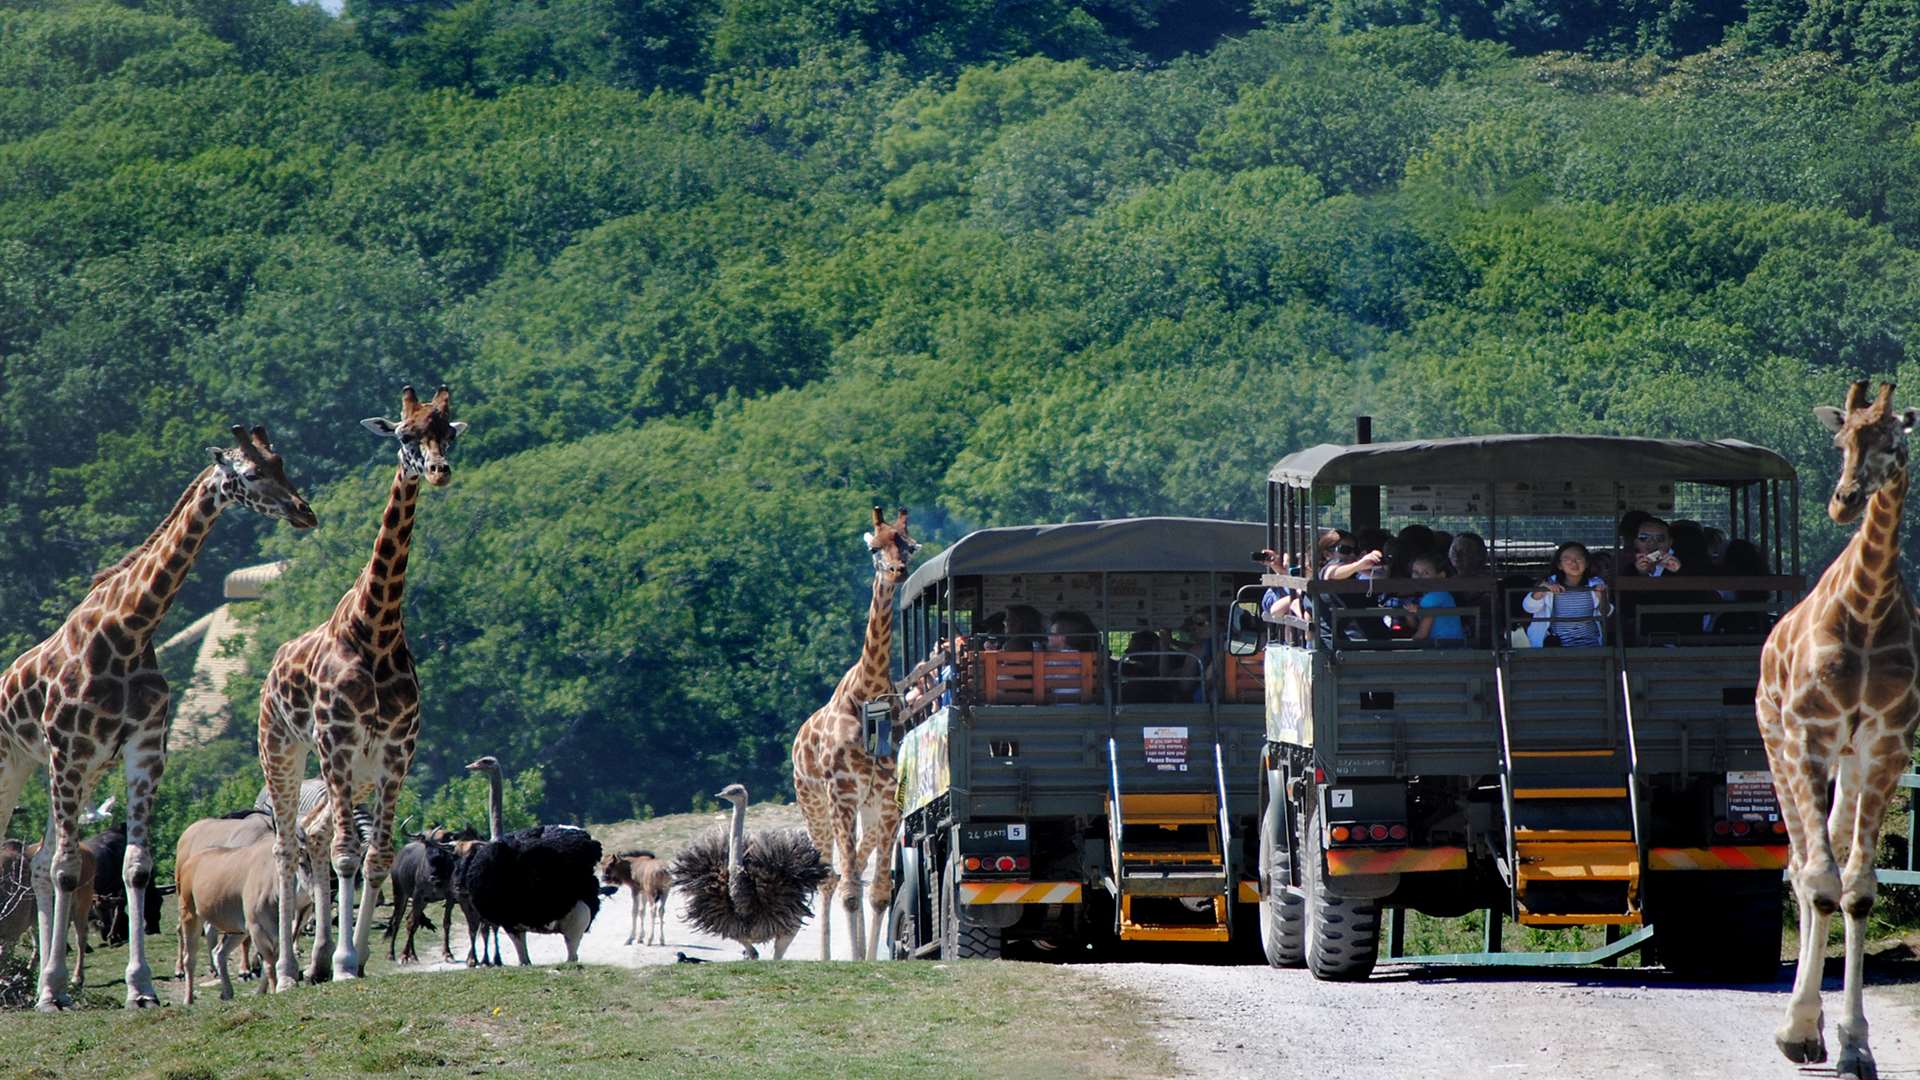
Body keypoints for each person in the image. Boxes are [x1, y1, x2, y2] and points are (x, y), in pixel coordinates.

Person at [1522, 542, 1610, 647]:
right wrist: (1541, 590)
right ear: (1559, 565)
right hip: (1558, 647)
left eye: (1579, 558)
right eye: (1567, 559)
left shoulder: (1596, 584)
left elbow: (1605, 613)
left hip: (1591, 645)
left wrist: (1602, 597)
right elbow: (1529, 607)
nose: (1573, 563)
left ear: (1586, 563)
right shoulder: (1548, 583)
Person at [1405, 553, 1467, 646]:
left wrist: (1405, 649)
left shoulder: (1434, 597)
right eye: (1415, 572)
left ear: (1441, 576)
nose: (1419, 577)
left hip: (1445, 650)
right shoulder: (1434, 595)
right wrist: (1410, 614)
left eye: (1426, 573)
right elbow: (1417, 626)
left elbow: (1422, 634)